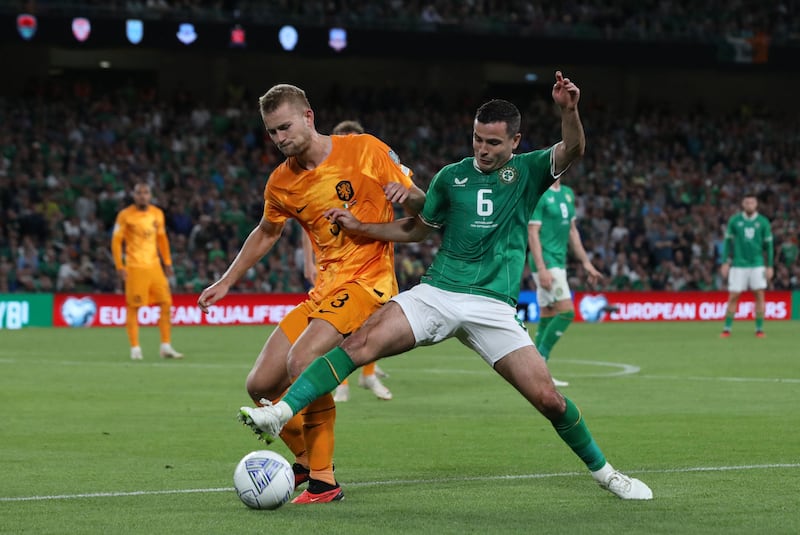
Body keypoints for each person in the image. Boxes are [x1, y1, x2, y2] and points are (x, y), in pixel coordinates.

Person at [239, 72, 653, 501]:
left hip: (493, 307)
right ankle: (283, 412)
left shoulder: (530, 171)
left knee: (549, 399)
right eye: (477, 139)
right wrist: (363, 225)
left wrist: (569, 111)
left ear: (515, 142)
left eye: (493, 143)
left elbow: (574, 148)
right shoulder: (451, 177)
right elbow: (418, 230)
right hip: (438, 293)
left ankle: (607, 474)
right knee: (360, 343)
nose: (483, 150)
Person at [197, 84, 425, 504]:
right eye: (271, 132)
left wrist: (409, 197)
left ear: (308, 117)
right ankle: (303, 459)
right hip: (324, 290)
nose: (280, 139)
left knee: (303, 361)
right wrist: (227, 280)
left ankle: (323, 481)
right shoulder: (282, 182)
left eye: (284, 127)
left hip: (367, 281)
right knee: (260, 384)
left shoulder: (365, 150)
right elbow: (267, 231)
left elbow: (426, 211)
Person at [326, 118, 392, 402]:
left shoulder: (375, 173)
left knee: (374, 325)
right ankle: (342, 383)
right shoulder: (327, 179)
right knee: (341, 327)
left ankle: (368, 376)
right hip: (338, 266)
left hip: (376, 264)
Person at [528, 177, 603, 387]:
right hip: (546, 262)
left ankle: (534, 371)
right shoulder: (540, 194)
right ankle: (539, 365)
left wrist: (586, 263)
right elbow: (532, 232)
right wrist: (541, 268)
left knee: (548, 314)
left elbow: (572, 231)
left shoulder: (568, 193)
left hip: (558, 261)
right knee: (567, 312)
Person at [111, 182, 183, 360]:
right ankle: (135, 348)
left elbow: (162, 239)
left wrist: (167, 262)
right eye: (139, 193)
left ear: (150, 195)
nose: (142, 196)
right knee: (133, 307)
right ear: (134, 195)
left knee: (166, 302)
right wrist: (120, 266)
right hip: (135, 267)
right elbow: (116, 241)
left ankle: (165, 346)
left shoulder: (157, 213)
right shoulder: (125, 215)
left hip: (155, 267)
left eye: (145, 193)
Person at [719, 193, 774, 338]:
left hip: (757, 263)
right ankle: (727, 329)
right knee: (734, 295)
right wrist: (725, 261)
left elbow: (769, 246)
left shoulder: (763, 222)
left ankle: (759, 329)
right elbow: (727, 243)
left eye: (752, 202)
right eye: (747, 202)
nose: (749, 205)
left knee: (759, 294)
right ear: (743, 204)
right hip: (738, 264)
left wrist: (770, 266)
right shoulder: (735, 221)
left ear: (756, 204)